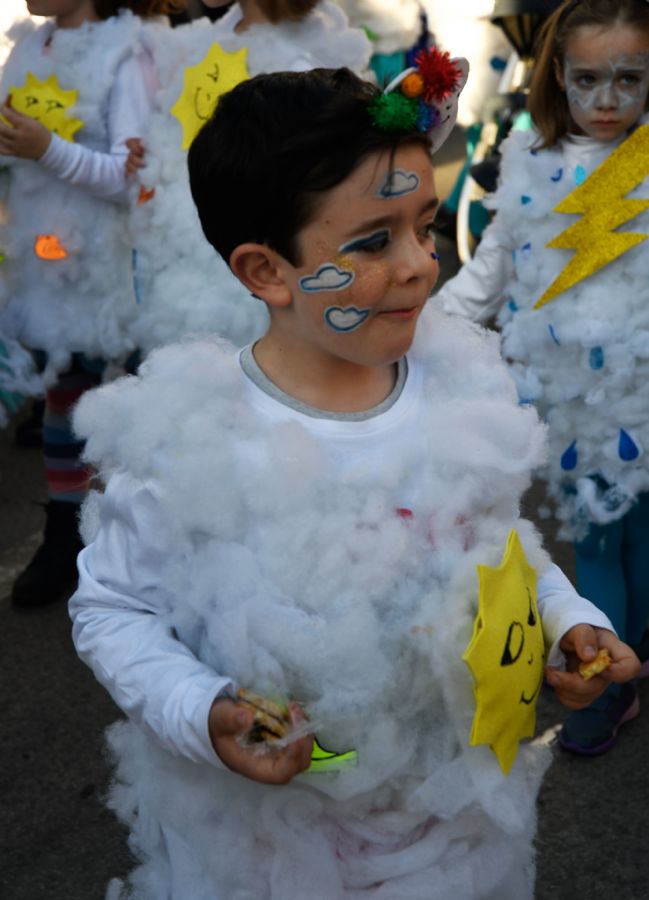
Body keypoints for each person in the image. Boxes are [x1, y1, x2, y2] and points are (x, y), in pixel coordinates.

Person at [69, 61, 640, 898]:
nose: (420, 266)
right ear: (265, 271)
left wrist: (563, 620)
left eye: (426, 223)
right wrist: (200, 709)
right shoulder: (190, 440)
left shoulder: (459, 385)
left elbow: (498, 542)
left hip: (444, 825)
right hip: (268, 849)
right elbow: (113, 609)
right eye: (372, 241)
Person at [435, 0, 649, 756]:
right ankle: (612, 674)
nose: (606, 100)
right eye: (587, 78)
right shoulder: (530, 162)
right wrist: (406, 335)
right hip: (578, 413)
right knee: (599, 547)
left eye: (629, 79)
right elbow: (484, 279)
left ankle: (616, 670)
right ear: (556, 75)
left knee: (634, 542)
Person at [0, 0, 180, 608]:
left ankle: (127, 546)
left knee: (110, 404)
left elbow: (132, 175)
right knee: (61, 400)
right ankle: (63, 535)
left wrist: (47, 147)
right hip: (43, 258)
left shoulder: (125, 53)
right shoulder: (31, 44)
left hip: (104, 267)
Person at [124, 0, 371, 358]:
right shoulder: (209, 38)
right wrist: (147, 155)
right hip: (180, 247)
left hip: (243, 262)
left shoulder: (300, 65)